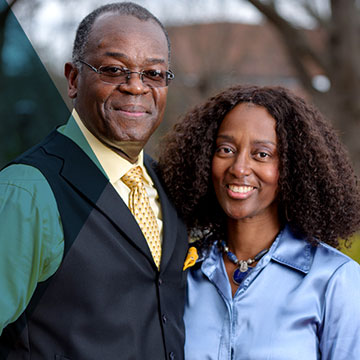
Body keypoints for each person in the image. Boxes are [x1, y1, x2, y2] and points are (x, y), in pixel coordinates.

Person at [0, 3, 189, 359]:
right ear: (73, 79)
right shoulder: (28, 191)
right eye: (114, 69)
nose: (136, 87)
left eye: (153, 73)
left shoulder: (168, 186)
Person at [158, 85, 360, 359]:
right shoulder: (181, 273)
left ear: (292, 167)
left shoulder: (335, 280)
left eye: (262, 154)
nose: (239, 167)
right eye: (226, 149)